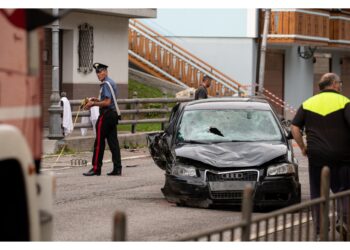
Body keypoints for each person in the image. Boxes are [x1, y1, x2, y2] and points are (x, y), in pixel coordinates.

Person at [291, 72, 350, 239]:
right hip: (342, 156)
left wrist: (303, 147)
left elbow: (294, 128)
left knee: (318, 193)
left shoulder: (308, 103)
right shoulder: (344, 102)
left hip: (316, 157)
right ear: (334, 84)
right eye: (339, 83)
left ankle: (320, 229)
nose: (340, 86)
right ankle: (344, 222)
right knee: (344, 190)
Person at [83, 62, 123, 176]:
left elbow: (107, 102)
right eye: (97, 73)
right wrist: (97, 99)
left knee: (99, 142)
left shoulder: (106, 84)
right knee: (113, 143)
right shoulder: (111, 82)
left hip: (106, 115)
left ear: (105, 72)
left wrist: (93, 104)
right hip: (113, 115)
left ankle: (96, 168)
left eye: (100, 72)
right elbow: (106, 99)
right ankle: (117, 168)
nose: (98, 74)